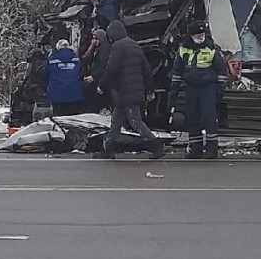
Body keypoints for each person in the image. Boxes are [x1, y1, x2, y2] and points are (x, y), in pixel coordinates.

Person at [97, 20, 164, 159]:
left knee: (135, 121)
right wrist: (149, 89)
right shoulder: (134, 45)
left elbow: (112, 68)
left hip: (126, 91)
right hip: (133, 91)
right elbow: (146, 69)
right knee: (115, 122)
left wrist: (102, 85)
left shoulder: (118, 46)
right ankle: (108, 149)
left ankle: (156, 145)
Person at [169, 21, 228, 160]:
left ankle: (212, 150)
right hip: (191, 87)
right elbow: (177, 70)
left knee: (209, 118)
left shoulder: (212, 48)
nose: (200, 37)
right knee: (193, 117)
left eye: (202, 34)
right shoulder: (183, 49)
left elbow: (221, 70)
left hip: (208, 87)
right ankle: (196, 149)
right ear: (191, 35)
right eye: (197, 34)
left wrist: (220, 88)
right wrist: (174, 90)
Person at [46, 39, 85, 117]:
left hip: (56, 94)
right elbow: (81, 72)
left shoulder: (52, 59)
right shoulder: (76, 58)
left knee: (58, 117)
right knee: (72, 118)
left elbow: (46, 73)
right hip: (74, 93)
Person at [82, 28, 110, 113]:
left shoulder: (104, 50)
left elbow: (103, 66)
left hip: (99, 80)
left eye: (96, 39)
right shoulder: (99, 49)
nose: (94, 41)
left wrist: (94, 77)